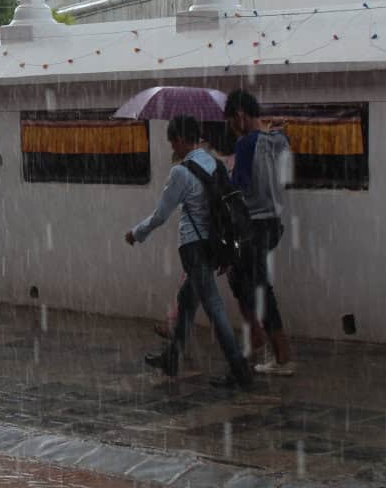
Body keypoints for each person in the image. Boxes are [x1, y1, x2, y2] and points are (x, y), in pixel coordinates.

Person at [125, 115, 253, 389]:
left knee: (214, 307)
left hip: (194, 246)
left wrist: (136, 233)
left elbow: (161, 214)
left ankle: (239, 368)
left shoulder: (181, 172)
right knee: (186, 301)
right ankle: (173, 357)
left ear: (181, 140)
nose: (173, 147)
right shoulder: (214, 164)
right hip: (213, 244)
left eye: (173, 141)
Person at [224, 89, 296, 376]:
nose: (231, 127)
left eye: (231, 121)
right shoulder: (276, 140)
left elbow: (238, 186)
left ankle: (280, 353)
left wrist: (222, 169)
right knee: (242, 277)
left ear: (240, 115)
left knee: (257, 285)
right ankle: (258, 335)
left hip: (252, 224)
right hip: (273, 223)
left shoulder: (244, 145)